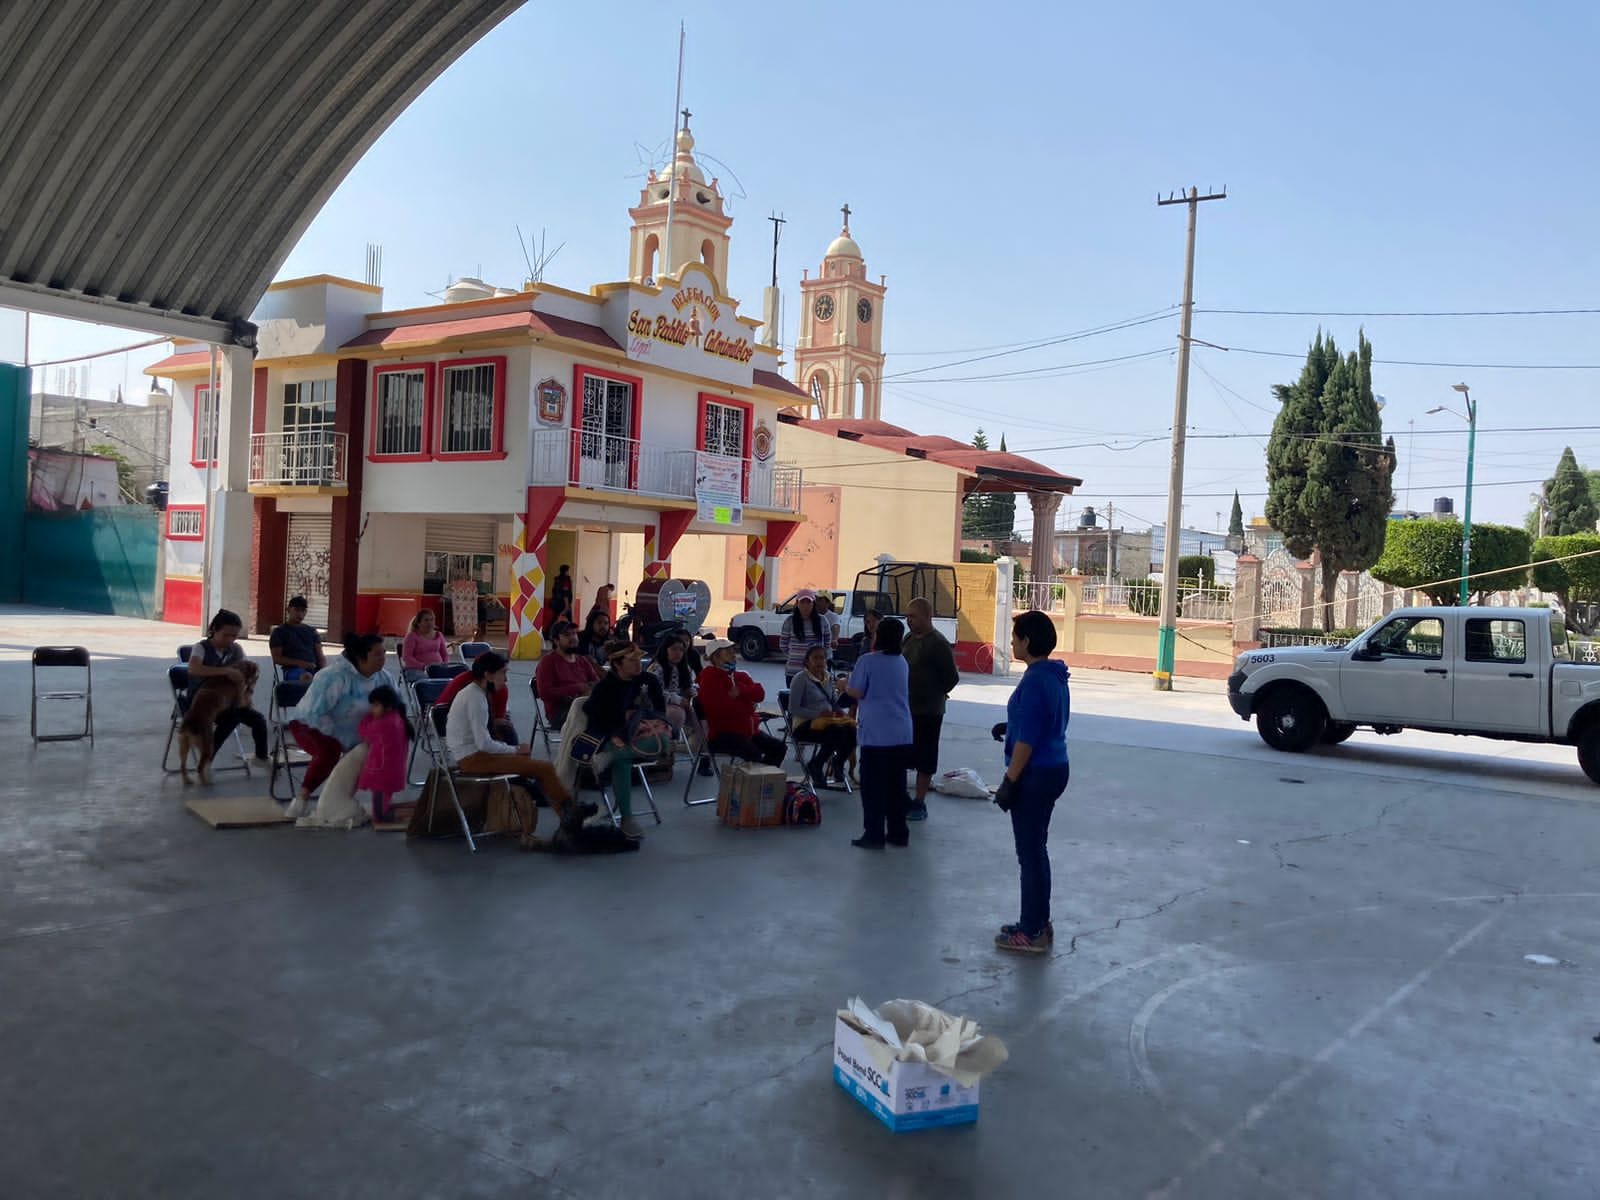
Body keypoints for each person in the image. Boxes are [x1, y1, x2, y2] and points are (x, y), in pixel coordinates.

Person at [991, 610, 1071, 955]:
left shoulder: (1037, 680)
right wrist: (1010, 728)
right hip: (1053, 767)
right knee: (1037, 851)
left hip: (1035, 773)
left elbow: (1029, 741)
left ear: (1027, 641)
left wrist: (1010, 781)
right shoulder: (1052, 676)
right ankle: (1038, 921)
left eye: (1015, 637)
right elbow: (1038, 724)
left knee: (1030, 854)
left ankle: (1032, 929)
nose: (1011, 642)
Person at [446, 652, 574, 822]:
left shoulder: (476, 693)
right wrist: (515, 750)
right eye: (503, 673)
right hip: (473, 759)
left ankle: (567, 812)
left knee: (538, 767)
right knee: (544, 768)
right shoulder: (475, 698)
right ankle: (570, 811)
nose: (506, 679)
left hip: (475, 755)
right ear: (488, 675)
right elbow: (484, 744)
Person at [286, 632, 396, 817]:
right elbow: (314, 713)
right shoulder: (333, 677)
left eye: (384, 653)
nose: (383, 659)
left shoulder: (384, 678)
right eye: (377, 655)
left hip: (357, 731)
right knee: (331, 751)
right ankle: (301, 799)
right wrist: (348, 741)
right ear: (361, 657)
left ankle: (346, 799)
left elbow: (396, 708)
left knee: (384, 749)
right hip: (309, 724)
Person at [582, 641, 672, 839]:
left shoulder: (649, 680)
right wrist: (619, 725)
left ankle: (610, 758)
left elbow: (660, 712)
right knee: (622, 762)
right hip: (614, 735)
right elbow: (594, 715)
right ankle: (627, 819)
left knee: (664, 742)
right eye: (632, 661)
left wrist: (643, 718)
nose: (638, 664)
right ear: (617, 664)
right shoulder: (605, 687)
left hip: (646, 734)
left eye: (639, 659)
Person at [845, 616, 913, 850]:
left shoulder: (867, 661)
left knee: (873, 788)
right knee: (896, 786)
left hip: (877, 734)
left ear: (879, 637)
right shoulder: (902, 662)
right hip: (901, 732)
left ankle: (874, 834)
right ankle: (898, 832)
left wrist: (843, 686)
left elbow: (858, 691)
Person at [902, 596, 960, 822]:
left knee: (925, 758)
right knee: (905, 754)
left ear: (928, 617)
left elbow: (951, 678)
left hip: (929, 711)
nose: (910, 620)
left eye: (914, 616)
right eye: (907, 616)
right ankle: (903, 799)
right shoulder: (907, 639)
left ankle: (919, 802)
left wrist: (935, 692)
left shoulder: (938, 643)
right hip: (906, 709)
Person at [187, 608, 269, 764]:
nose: (230, 640)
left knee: (258, 720)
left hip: (229, 700)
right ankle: (207, 759)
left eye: (234, 636)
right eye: (226, 635)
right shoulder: (201, 648)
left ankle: (261, 757)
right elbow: (194, 668)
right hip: (203, 701)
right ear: (214, 630)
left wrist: (247, 693)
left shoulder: (235, 649)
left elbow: (249, 670)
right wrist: (225, 671)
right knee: (231, 718)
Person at [697, 639, 785, 767]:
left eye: (733, 651)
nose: (733, 655)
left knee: (779, 747)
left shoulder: (740, 675)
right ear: (715, 657)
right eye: (727, 652)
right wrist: (749, 705)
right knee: (753, 753)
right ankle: (756, 780)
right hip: (723, 734)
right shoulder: (709, 678)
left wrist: (741, 691)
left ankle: (764, 778)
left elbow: (760, 694)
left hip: (749, 730)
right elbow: (722, 710)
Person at [789, 643, 856, 791]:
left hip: (827, 722)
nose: (820, 661)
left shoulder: (827, 676)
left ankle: (838, 763)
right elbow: (793, 708)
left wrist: (840, 712)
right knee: (836, 731)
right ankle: (816, 764)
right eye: (816, 658)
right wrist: (818, 714)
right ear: (807, 661)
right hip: (804, 725)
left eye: (823, 658)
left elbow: (833, 702)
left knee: (852, 730)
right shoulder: (800, 679)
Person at [357, 685, 412, 823]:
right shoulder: (397, 718)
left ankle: (413, 814)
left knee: (380, 816)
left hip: (381, 774)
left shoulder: (384, 724)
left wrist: (367, 718)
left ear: (388, 706)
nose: (372, 709)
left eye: (375, 705)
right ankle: (411, 810)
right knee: (384, 804)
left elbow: (364, 732)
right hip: (390, 771)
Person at [534, 619, 601, 728]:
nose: (573, 638)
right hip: (560, 713)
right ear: (556, 640)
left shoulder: (582, 660)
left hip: (584, 704)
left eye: (574, 633)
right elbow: (545, 693)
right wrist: (577, 688)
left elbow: (596, 683)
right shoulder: (548, 662)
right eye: (567, 635)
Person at [437, 662, 517, 746]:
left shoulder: (501, 688)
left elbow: (499, 717)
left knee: (506, 728)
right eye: (502, 673)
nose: (506, 679)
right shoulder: (467, 686)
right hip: (452, 721)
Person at [779, 589, 833, 682]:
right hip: (793, 672)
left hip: (816, 672)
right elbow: (783, 645)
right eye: (802, 602)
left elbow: (827, 645)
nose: (805, 606)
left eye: (809, 602)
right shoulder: (789, 621)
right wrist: (795, 655)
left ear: (813, 604)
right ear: (797, 604)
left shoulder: (822, 620)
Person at [268, 596, 325, 681]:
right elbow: (277, 658)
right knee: (307, 677)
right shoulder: (279, 632)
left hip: (314, 669)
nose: (300, 614)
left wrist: (323, 672)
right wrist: (300, 663)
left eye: (303, 611)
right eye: (297, 610)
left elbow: (320, 656)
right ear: (288, 610)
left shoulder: (312, 631)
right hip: (292, 671)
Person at [400, 609, 450, 684]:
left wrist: (444, 665)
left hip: (438, 669)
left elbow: (445, 654)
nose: (429, 622)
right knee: (428, 680)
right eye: (426, 620)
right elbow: (407, 657)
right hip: (416, 670)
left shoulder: (439, 635)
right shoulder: (411, 637)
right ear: (419, 623)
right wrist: (424, 667)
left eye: (432, 620)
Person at [548, 564, 575, 631]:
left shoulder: (557, 580)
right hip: (564, 605)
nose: (569, 572)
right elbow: (565, 594)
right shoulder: (566, 580)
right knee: (568, 623)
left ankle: (550, 633)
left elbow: (555, 592)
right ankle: (568, 634)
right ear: (566, 571)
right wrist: (566, 607)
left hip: (557, 604)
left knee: (555, 619)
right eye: (568, 571)